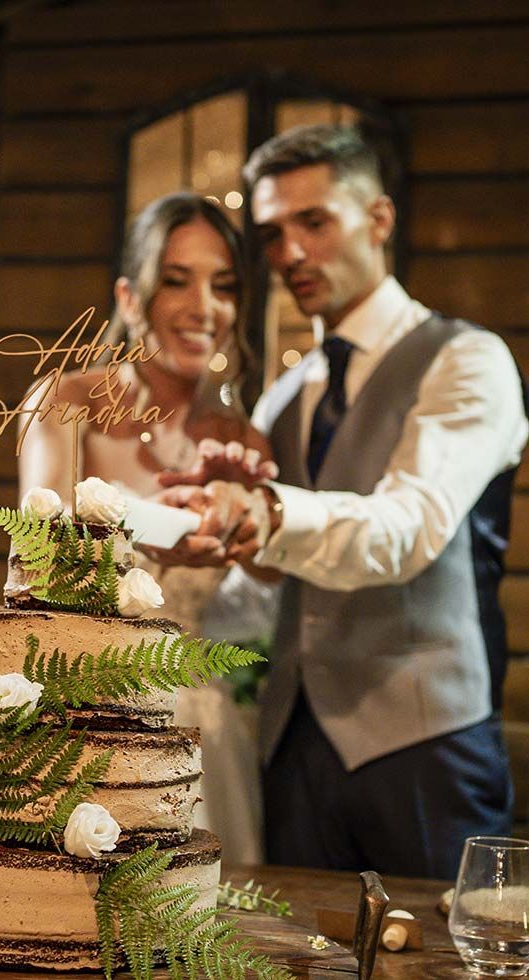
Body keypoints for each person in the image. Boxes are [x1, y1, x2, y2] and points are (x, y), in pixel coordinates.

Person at [156, 125, 528, 878]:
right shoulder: (287, 398)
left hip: (428, 749)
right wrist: (202, 548)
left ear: (379, 219)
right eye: (272, 234)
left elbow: (406, 527)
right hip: (291, 753)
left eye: (314, 222)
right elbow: (265, 601)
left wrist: (268, 512)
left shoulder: (466, 360)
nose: (290, 253)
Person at [18, 191, 274, 863]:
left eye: (224, 286)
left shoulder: (242, 441)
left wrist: (248, 511)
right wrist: (169, 525)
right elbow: (41, 550)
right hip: (76, 711)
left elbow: (273, 581)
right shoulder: (65, 401)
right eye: (176, 279)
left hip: (198, 727)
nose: (205, 307)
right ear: (130, 297)